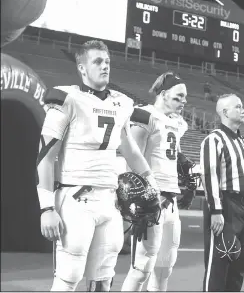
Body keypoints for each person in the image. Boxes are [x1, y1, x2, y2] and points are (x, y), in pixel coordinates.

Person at [36, 39, 160, 292]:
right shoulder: (67, 99)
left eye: (107, 62)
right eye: (97, 61)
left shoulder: (122, 103)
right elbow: (46, 156)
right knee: (69, 277)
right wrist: (46, 207)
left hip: (109, 200)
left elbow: (131, 150)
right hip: (75, 196)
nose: (105, 67)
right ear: (82, 68)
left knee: (104, 279)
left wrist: (152, 181)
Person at [121, 72, 188, 292]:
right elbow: (133, 158)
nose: (183, 102)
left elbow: (173, 155)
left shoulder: (177, 122)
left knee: (164, 267)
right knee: (142, 267)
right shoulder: (144, 115)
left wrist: (187, 166)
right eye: (178, 97)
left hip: (171, 200)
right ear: (163, 94)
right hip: (152, 200)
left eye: (184, 97)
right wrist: (140, 201)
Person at [200, 93, 244, 292]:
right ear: (225, 112)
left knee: (238, 265)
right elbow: (209, 176)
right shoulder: (214, 139)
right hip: (225, 205)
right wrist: (216, 211)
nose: (243, 110)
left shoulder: (242, 141)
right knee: (219, 264)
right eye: (238, 107)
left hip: (242, 206)